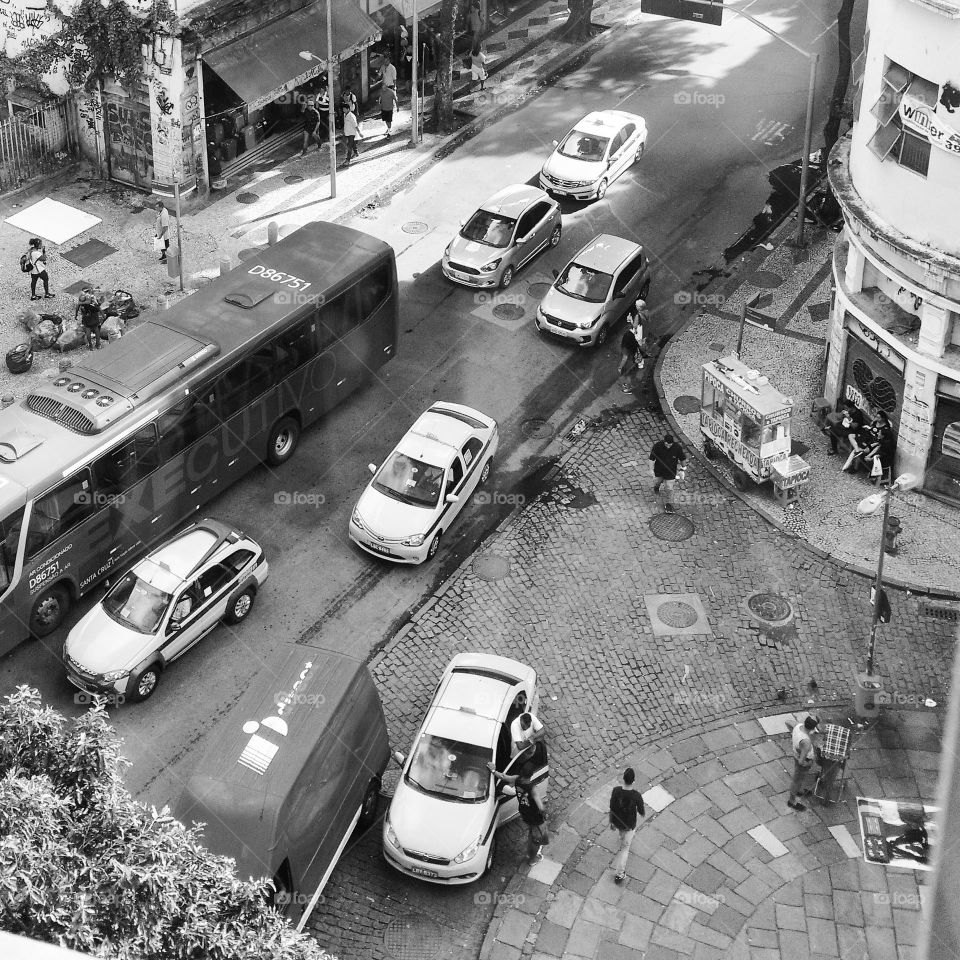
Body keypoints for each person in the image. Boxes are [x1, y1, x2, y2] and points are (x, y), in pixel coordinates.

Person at [488, 757, 548, 864]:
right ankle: (532, 859)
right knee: (536, 839)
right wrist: (544, 811)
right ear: (531, 774)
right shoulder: (533, 788)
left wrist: (493, 770)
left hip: (524, 812)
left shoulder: (516, 779)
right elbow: (540, 807)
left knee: (532, 831)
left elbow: (502, 776)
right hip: (535, 817)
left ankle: (532, 841)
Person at [609, 768, 645, 883]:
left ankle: (621, 836)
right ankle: (620, 874)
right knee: (625, 849)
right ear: (633, 781)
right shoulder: (636, 796)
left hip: (618, 823)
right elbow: (641, 811)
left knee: (621, 833)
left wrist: (611, 822)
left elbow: (612, 808)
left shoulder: (616, 791)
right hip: (629, 825)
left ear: (623, 778)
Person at [787, 715, 820, 811]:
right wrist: (809, 764)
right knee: (797, 780)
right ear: (813, 727)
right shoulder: (806, 742)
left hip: (796, 754)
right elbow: (801, 761)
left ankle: (799, 791)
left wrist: (792, 734)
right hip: (803, 761)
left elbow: (788, 722)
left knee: (800, 778)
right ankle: (791, 802)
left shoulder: (798, 726)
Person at [649, 432, 686, 513]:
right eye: (666, 444)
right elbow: (652, 458)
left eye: (670, 445)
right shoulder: (657, 446)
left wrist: (683, 468)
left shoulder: (677, 448)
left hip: (670, 473)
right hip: (659, 471)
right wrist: (651, 470)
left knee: (670, 489)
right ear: (664, 441)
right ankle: (656, 487)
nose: (668, 446)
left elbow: (682, 458)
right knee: (657, 482)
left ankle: (669, 504)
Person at [155, 200, 170, 264]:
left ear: (160, 207)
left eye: (157, 207)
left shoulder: (164, 215)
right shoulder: (160, 212)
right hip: (160, 232)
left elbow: (165, 227)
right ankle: (164, 256)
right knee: (161, 246)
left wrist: (161, 235)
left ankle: (167, 259)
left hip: (164, 234)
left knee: (165, 246)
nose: (155, 208)